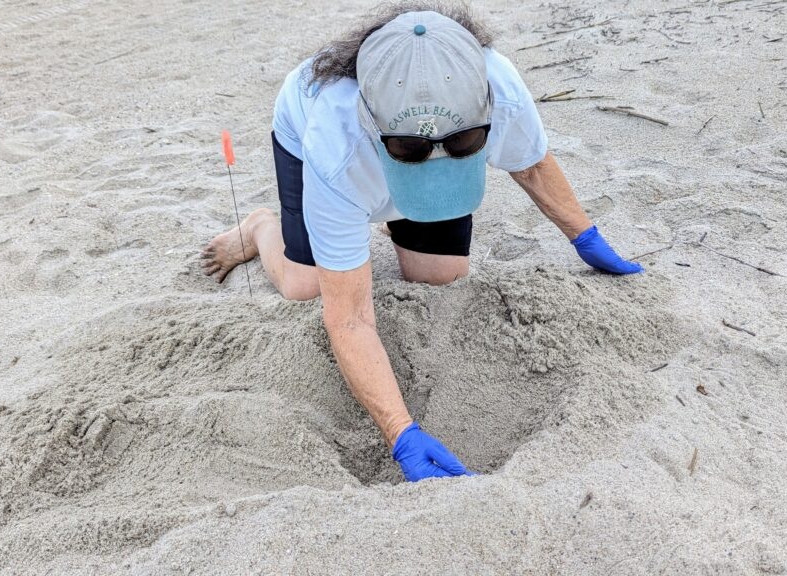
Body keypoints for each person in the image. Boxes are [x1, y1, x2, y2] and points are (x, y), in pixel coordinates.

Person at [201, 3, 642, 482]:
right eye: (411, 150)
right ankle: (263, 228)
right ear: (370, 124)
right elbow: (349, 319)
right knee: (304, 287)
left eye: (466, 141)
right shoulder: (334, 141)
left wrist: (585, 236)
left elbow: (531, 164)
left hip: (382, 163)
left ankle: (402, 202)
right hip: (318, 147)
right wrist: (400, 431)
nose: (445, 151)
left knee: (441, 279)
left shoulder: (497, 86)